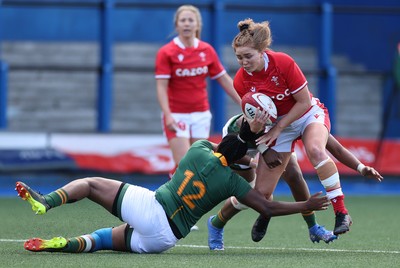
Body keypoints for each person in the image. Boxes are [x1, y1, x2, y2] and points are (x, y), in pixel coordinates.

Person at [16, 121, 330, 254]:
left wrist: (247, 150)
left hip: (155, 208)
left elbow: (223, 145)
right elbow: (267, 206)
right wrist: (307, 205)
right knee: (101, 240)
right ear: (238, 162)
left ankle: (46, 201)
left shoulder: (199, 149)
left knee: (90, 183)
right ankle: (63, 244)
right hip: (166, 239)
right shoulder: (233, 180)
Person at [212, 18, 367, 243]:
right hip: (272, 130)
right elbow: (253, 124)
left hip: (305, 115)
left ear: (262, 51)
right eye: (238, 57)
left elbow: (303, 102)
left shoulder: (282, 62)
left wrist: (360, 167)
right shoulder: (241, 82)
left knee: (314, 150)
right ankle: (221, 221)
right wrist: (266, 147)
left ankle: (341, 212)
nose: (243, 62)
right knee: (262, 194)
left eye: (248, 56)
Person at [208, 112, 383, 250]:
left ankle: (313, 228)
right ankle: (216, 223)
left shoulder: (294, 118)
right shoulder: (238, 127)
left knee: (294, 176)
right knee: (255, 196)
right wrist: (256, 162)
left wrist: (360, 167)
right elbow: (226, 151)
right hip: (245, 151)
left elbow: (334, 147)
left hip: (275, 141)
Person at [155, 5, 241, 177]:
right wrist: (168, 114)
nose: (186, 24)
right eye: (183, 20)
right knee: (184, 163)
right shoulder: (167, 52)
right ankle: (170, 197)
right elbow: (161, 86)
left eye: (190, 20)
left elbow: (224, 79)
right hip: (177, 115)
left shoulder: (206, 50)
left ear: (197, 25)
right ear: (177, 25)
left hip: (201, 114)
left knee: (198, 162)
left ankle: (182, 194)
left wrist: (243, 103)